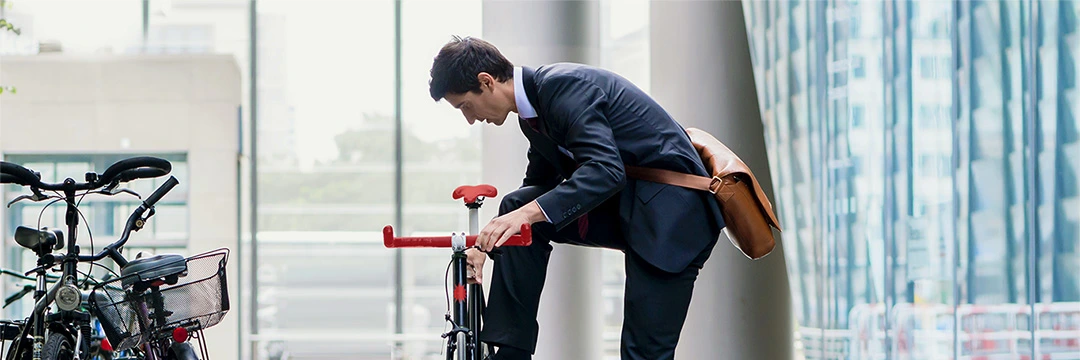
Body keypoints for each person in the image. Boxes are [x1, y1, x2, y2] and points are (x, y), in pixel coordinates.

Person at [427, 35, 725, 360]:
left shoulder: (564, 87)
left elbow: (606, 171)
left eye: (465, 106)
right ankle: (511, 352)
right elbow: (535, 193)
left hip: (674, 219)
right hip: (633, 206)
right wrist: (490, 243)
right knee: (516, 208)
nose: (470, 119)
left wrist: (523, 216)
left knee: (644, 354)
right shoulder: (533, 115)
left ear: (486, 82)